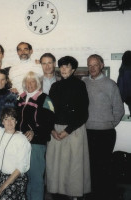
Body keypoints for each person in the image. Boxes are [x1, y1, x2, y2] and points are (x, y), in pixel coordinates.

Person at [46, 56, 91, 200]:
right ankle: (57, 194)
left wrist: (68, 131)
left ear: (73, 69)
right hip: (55, 130)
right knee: (56, 165)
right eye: (62, 66)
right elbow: (49, 111)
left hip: (74, 130)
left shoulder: (80, 85)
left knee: (73, 167)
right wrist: (52, 130)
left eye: (67, 66)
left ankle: (74, 196)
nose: (64, 69)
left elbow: (83, 113)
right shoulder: (55, 87)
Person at [83, 54, 124, 200]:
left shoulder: (110, 84)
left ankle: (104, 195)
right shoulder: (84, 83)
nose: (92, 68)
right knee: (89, 167)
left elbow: (119, 110)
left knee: (104, 167)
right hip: (87, 132)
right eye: (89, 65)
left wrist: (109, 124)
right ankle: (91, 195)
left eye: (95, 64)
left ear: (101, 65)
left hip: (106, 133)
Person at [16, 72, 55, 200]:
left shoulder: (44, 98)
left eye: (33, 81)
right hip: (21, 143)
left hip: (36, 144)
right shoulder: (20, 98)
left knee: (36, 178)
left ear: (37, 84)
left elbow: (49, 122)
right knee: (24, 178)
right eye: (27, 82)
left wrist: (34, 132)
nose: (30, 84)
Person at [118, 50, 131, 117]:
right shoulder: (123, 69)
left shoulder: (123, 69)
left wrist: (121, 98)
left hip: (127, 96)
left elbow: (121, 84)